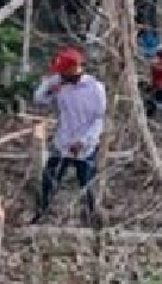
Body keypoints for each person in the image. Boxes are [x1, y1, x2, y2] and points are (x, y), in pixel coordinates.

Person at [31, 47, 107, 225]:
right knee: (49, 179)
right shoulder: (59, 86)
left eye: (63, 71)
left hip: (86, 145)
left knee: (86, 184)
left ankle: (91, 219)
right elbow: (38, 99)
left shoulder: (96, 89)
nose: (61, 75)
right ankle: (41, 213)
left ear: (74, 69)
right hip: (62, 142)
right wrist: (50, 84)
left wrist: (84, 141)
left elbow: (98, 120)